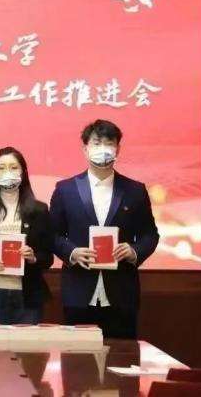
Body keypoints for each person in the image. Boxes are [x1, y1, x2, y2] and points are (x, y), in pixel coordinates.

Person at [49, 119, 159, 338]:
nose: (103, 149)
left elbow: (150, 234)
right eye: (97, 143)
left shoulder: (135, 190)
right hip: (78, 292)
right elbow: (51, 234)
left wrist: (134, 251)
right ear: (85, 149)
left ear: (118, 149)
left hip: (122, 293)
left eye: (109, 143)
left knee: (122, 356)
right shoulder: (65, 189)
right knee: (77, 357)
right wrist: (71, 252)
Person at [0, 147, 53, 324]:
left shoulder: (39, 210)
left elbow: (47, 258)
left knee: (27, 343)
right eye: (1, 168)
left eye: (13, 167)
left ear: (23, 172)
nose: (7, 172)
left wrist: (33, 258)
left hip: (28, 296)